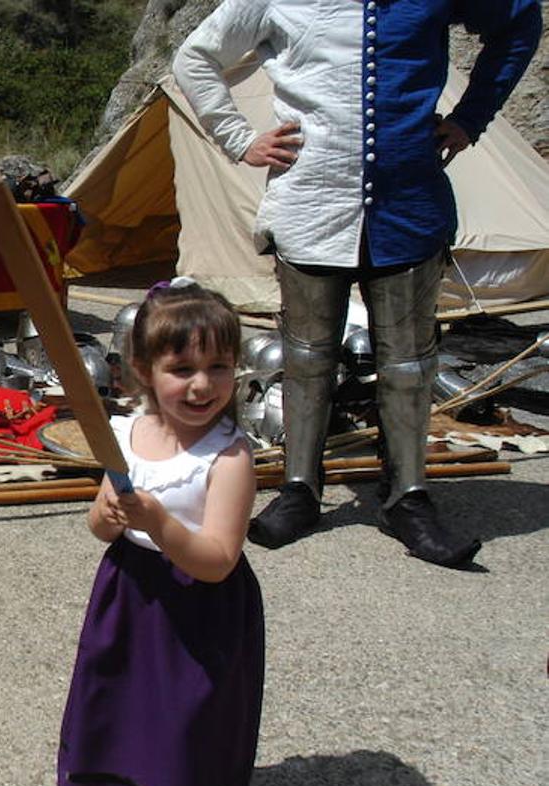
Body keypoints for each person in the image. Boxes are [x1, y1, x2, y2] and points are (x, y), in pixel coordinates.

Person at [172, 0, 541, 568]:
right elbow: (196, 56)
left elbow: (518, 20)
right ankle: (300, 489)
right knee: (306, 357)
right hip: (310, 202)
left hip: (410, 204)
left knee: (410, 363)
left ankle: (407, 498)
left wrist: (472, 117)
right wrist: (237, 137)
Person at [58, 283, 264, 786]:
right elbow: (98, 524)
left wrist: (160, 523)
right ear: (143, 372)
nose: (203, 385)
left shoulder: (229, 458)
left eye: (219, 367)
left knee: (182, 722)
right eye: (182, 369)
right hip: (129, 593)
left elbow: (220, 559)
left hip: (198, 606)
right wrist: (112, 518)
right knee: (120, 704)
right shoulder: (124, 434)